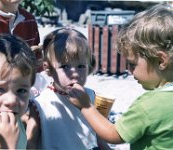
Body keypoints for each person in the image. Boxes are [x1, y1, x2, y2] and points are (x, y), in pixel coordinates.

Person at [68, 3, 173, 150]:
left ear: (161, 61)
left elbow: (114, 135)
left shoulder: (149, 105)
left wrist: (86, 106)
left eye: (132, 64)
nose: (128, 70)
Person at [34, 27, 110, 150]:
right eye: (65, 66)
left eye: (81, 66)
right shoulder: (40, 103)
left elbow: (98, 136)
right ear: (48, 69)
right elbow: (31, 142)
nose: (75, 73)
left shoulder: (92, 97)